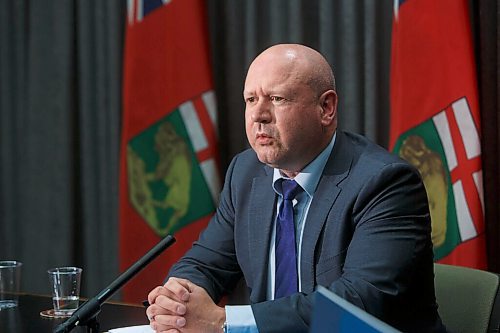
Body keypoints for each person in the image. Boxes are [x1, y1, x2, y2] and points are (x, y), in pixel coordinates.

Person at [145, 44, 447, 333]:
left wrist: (223, 322)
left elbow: (359, 304)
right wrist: (179, 302)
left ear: (326, 107)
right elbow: (205, 263)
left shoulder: (385, 182)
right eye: (250, 100)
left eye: (277, 98)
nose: (258, 115)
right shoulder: (246, 172)